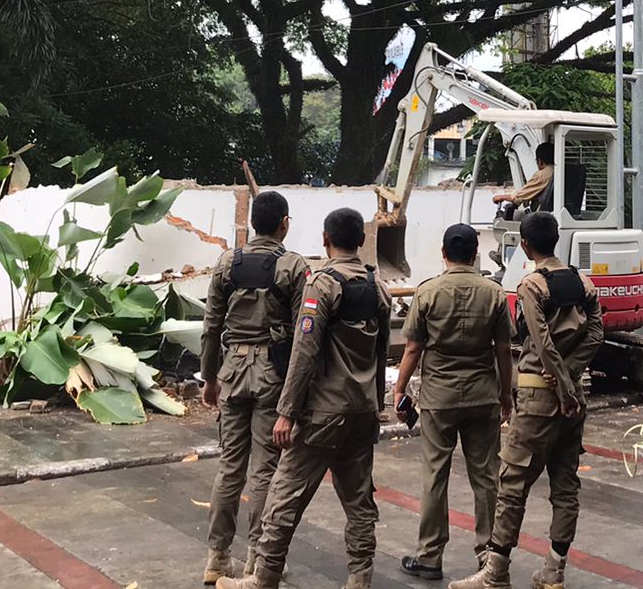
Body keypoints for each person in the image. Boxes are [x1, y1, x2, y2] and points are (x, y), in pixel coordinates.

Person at [225, 208, 391, 589]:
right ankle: (360, 577)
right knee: (359, 501)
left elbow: (304, 352)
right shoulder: (375, 285)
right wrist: (375, 405)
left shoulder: (323, 285)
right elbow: (382, 352)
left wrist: (286, 412)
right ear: (361, 242)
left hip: (322, 413)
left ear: (324, 238)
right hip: (361, 412)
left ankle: (262, 577)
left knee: (284, 496)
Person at [448, 212, 603, 589]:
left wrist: (561, 382)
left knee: (512, 481)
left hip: (539, 395)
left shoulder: (533, 285)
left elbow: (540, 340)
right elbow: (597, 331)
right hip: (575, 399)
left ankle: (495, 571)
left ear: (526, 245)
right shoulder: (583, 281)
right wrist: (572, 377)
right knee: (565, 485)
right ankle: (554, 568)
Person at [200, 190, 311, 585]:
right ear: (284, 223)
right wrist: (296, 397)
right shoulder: (294, 267)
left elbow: (211, 326)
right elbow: (304, 337)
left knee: (230, 466)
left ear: (252, 224)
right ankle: (256, 563)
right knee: (265, 471)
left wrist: (210, 377)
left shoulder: (227, 262)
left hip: (232, 373)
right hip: (271, 375)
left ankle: (217, 558)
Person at [394, 223, 515, 580]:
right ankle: (490, 558)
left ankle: (430, 557)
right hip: (482, 397)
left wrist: (400, 389)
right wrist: (505, 394)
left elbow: (413, 347)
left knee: (435, 476)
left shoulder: (428, 291)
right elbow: (504, 349)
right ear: (476, 253)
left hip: (439, 399)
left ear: (443, 253)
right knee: (487, 477)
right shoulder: (493, 292)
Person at [491, 142, 554, 212]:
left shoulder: (542, 175)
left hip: (540, 216)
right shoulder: (558, 171)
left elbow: (519, 198)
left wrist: (501, 197)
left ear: (540, 161)